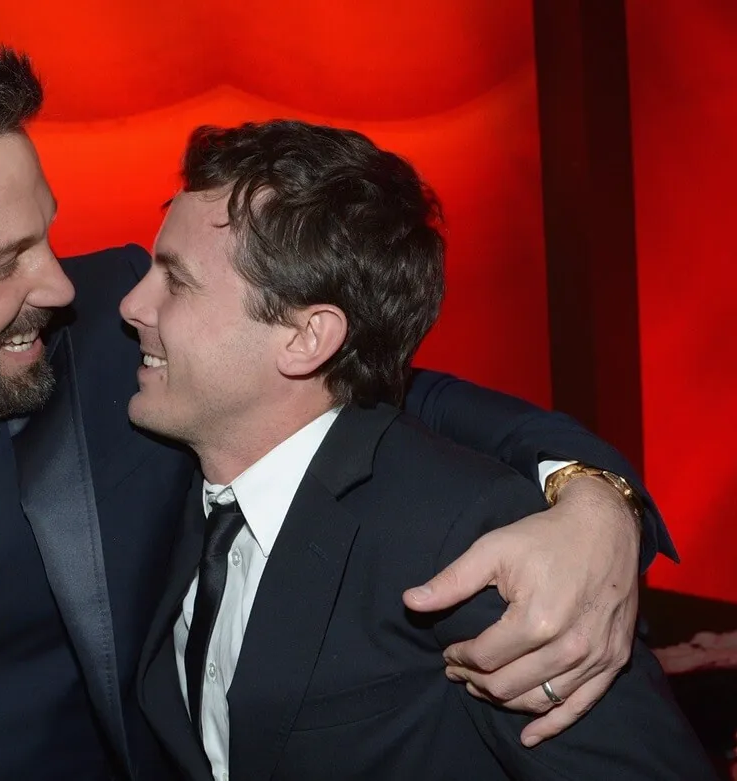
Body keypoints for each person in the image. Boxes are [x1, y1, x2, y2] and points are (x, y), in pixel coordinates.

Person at [0, 37, 675, 780]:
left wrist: (592, 498)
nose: (60, 285)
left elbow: (376, 393)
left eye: (47, 233)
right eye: (5, 260)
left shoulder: (125, 346)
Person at [128, 120, 713, 780]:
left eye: (173, 280)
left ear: (305, 339)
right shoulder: (165, 456)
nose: (129, 304)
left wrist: (600, 496)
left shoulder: (464, 537)